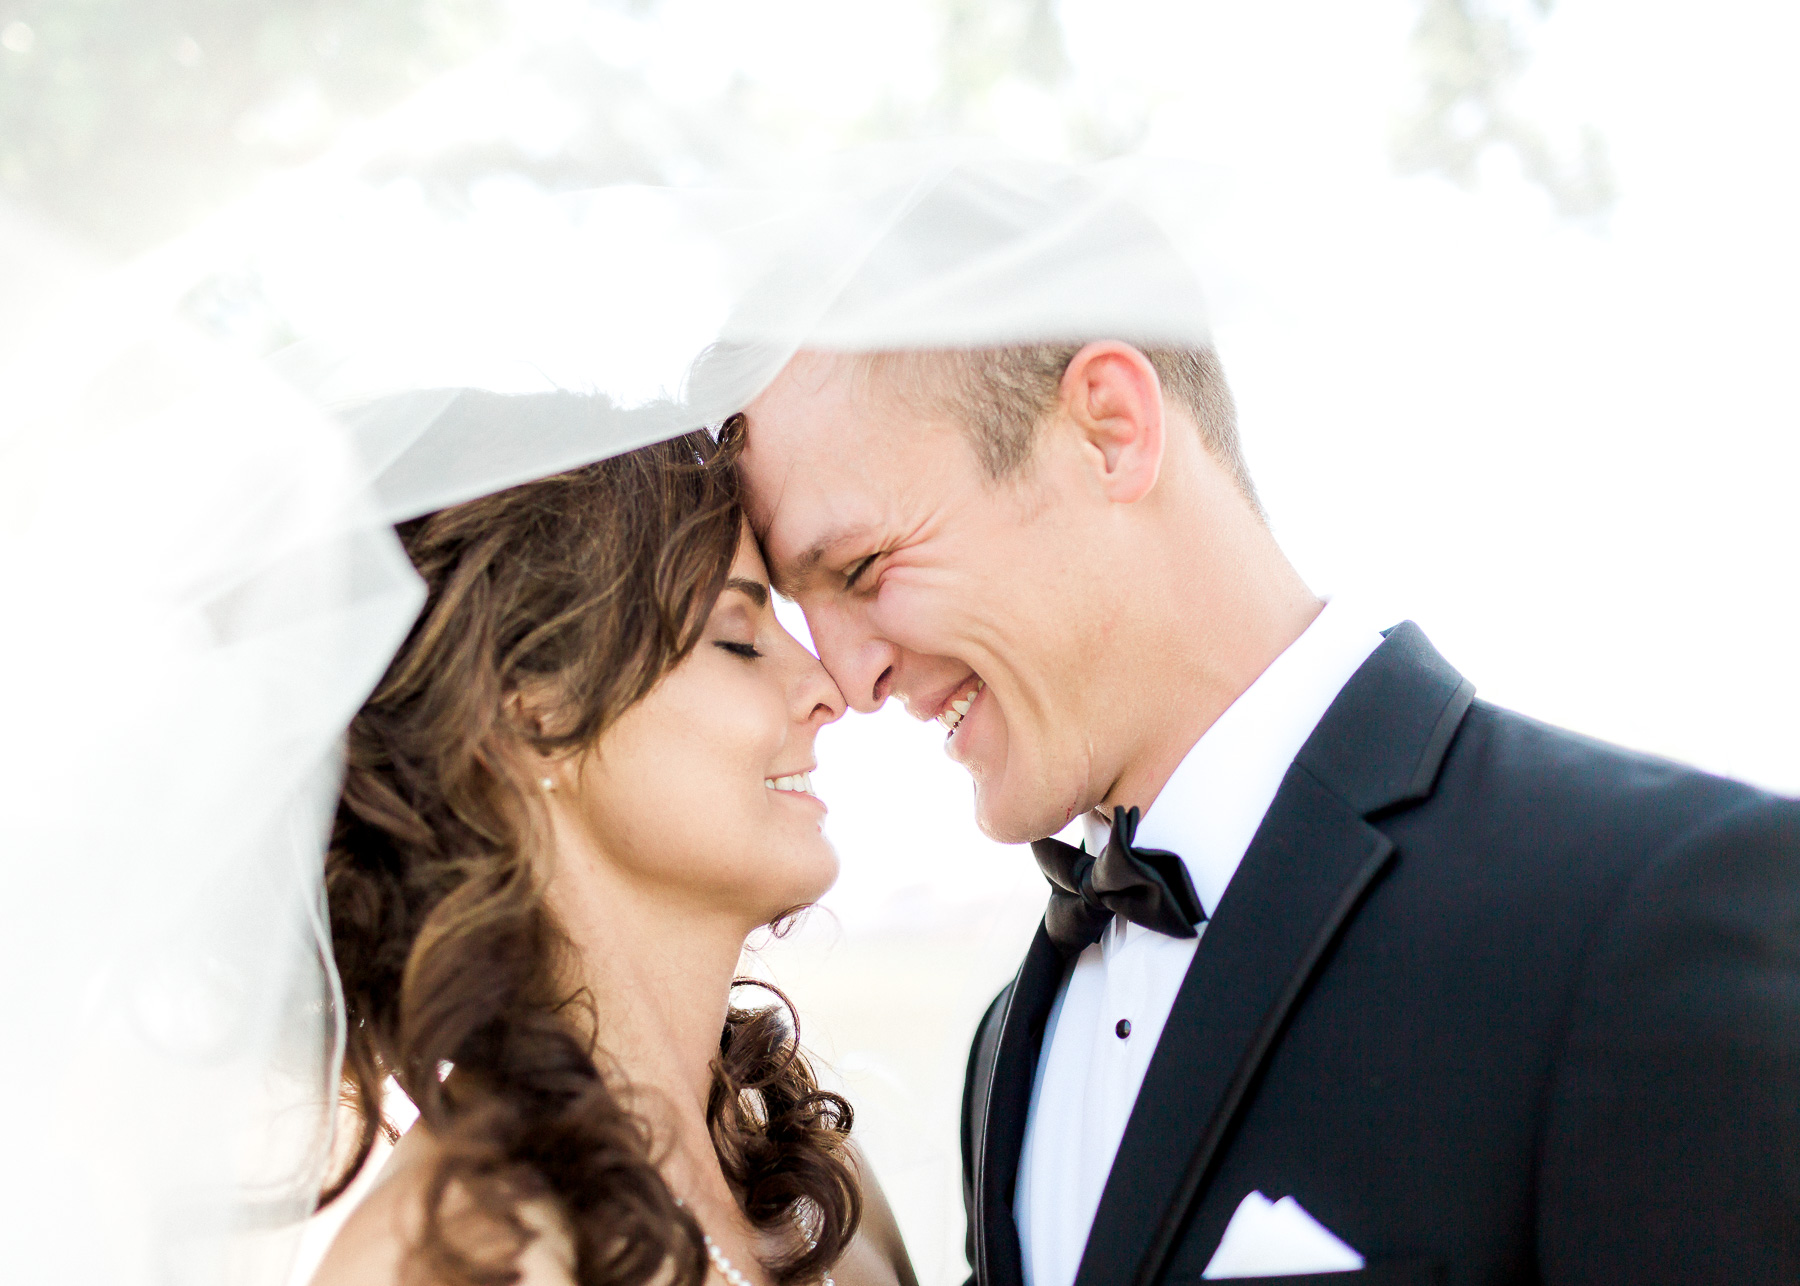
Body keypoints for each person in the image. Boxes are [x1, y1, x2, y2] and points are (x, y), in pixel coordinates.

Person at [735, 339, 1800, 1285]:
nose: (853, 673)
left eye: (864, 566)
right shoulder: (1009, 1042)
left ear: (1111, 430)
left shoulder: (1649, 909)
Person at [307, 392, 917, 1286]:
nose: (827, 686)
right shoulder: (452, 1256)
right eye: (739, 640)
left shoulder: (819, 1195)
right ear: (527, 714)